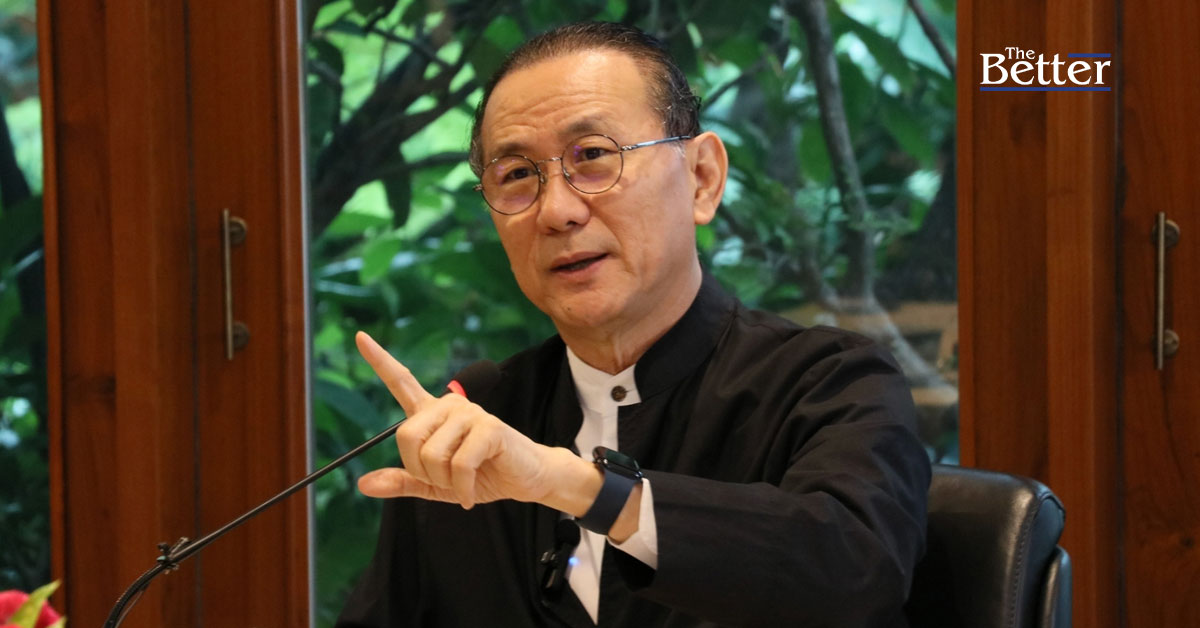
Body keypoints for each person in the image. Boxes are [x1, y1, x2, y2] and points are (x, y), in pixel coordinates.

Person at [336, 21, 930, 628]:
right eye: (516, 175)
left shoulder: (830, 383)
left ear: (702, 178)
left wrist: (575, 486)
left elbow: (853, 574)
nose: (557, 211)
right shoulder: (476, 424)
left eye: (593, 156)